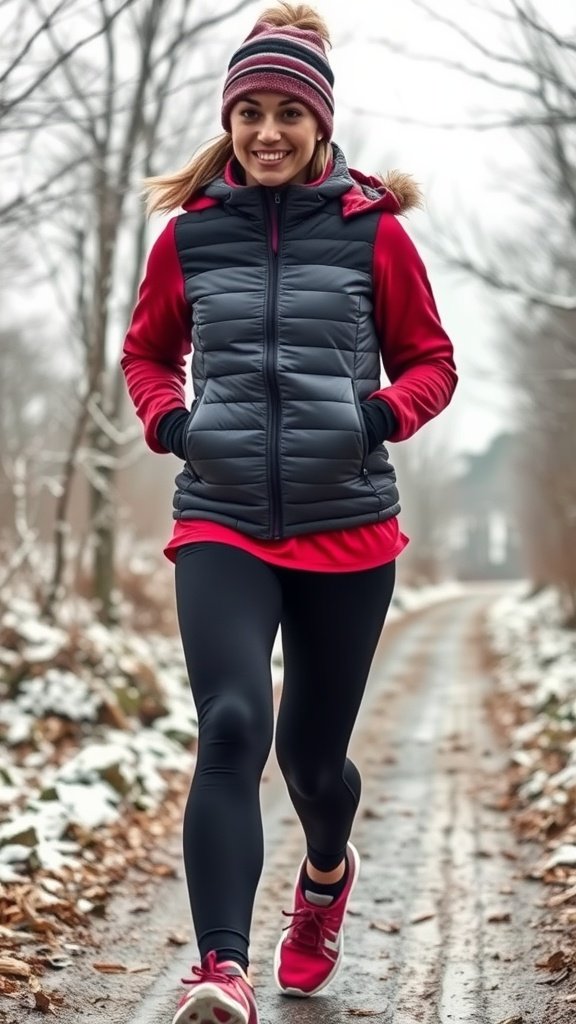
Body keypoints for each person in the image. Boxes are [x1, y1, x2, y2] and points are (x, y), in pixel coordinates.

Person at [121, 3, 457, 1022]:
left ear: (319, 124)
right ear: (229, 122)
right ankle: (221, 968)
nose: (266, 133)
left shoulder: (375, 234)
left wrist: (378, 415)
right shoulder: (191, 237)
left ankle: (322, 881)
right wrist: (171, 421)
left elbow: (433, 361)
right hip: (221, 517)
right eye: (249, 114)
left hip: (347, 525)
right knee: (230, 723)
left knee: (314, 761)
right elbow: (146, 352)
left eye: (287, 115)